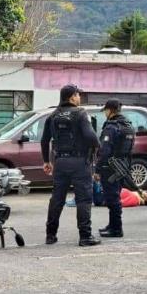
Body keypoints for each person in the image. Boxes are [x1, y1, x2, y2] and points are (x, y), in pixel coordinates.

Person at [41, 84, 101, 246]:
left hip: (60, 162)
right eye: (78, 95)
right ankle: (85, 236)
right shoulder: (80, 114)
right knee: (84, 199)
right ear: (72, 97)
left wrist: (46, 161)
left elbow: (44, 140)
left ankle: (50, 235)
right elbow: (91, 136)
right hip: (80, 162)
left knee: (57, 199)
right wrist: (98, 148)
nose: (79, 97)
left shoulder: (52, 116)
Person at [95, 99, 135, 238]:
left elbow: (104, 151)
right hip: (122, 166)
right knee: (115, 196)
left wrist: (97, 169)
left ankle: (116, 229)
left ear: (110, 110)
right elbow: (130, 149)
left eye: (106, 110)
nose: (105, 113)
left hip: (110, 167)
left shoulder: (111, 127)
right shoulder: (128, 126)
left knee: (112, 199)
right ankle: (112, 225)